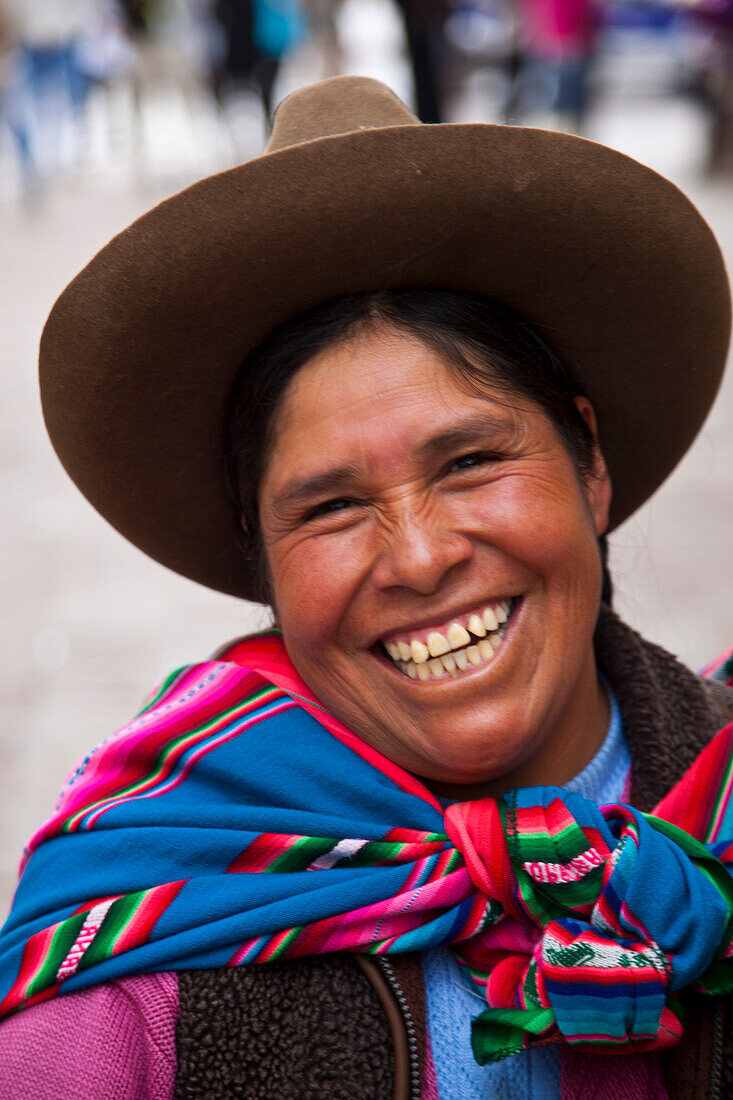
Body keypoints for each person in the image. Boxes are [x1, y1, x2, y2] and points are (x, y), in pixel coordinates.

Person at [0, 74, 732, 1099]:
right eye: (332, 506)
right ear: (263, 554)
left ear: (591, 465)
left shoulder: (721, 812)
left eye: (472, 460)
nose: (421, 555)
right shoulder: (142, 957)